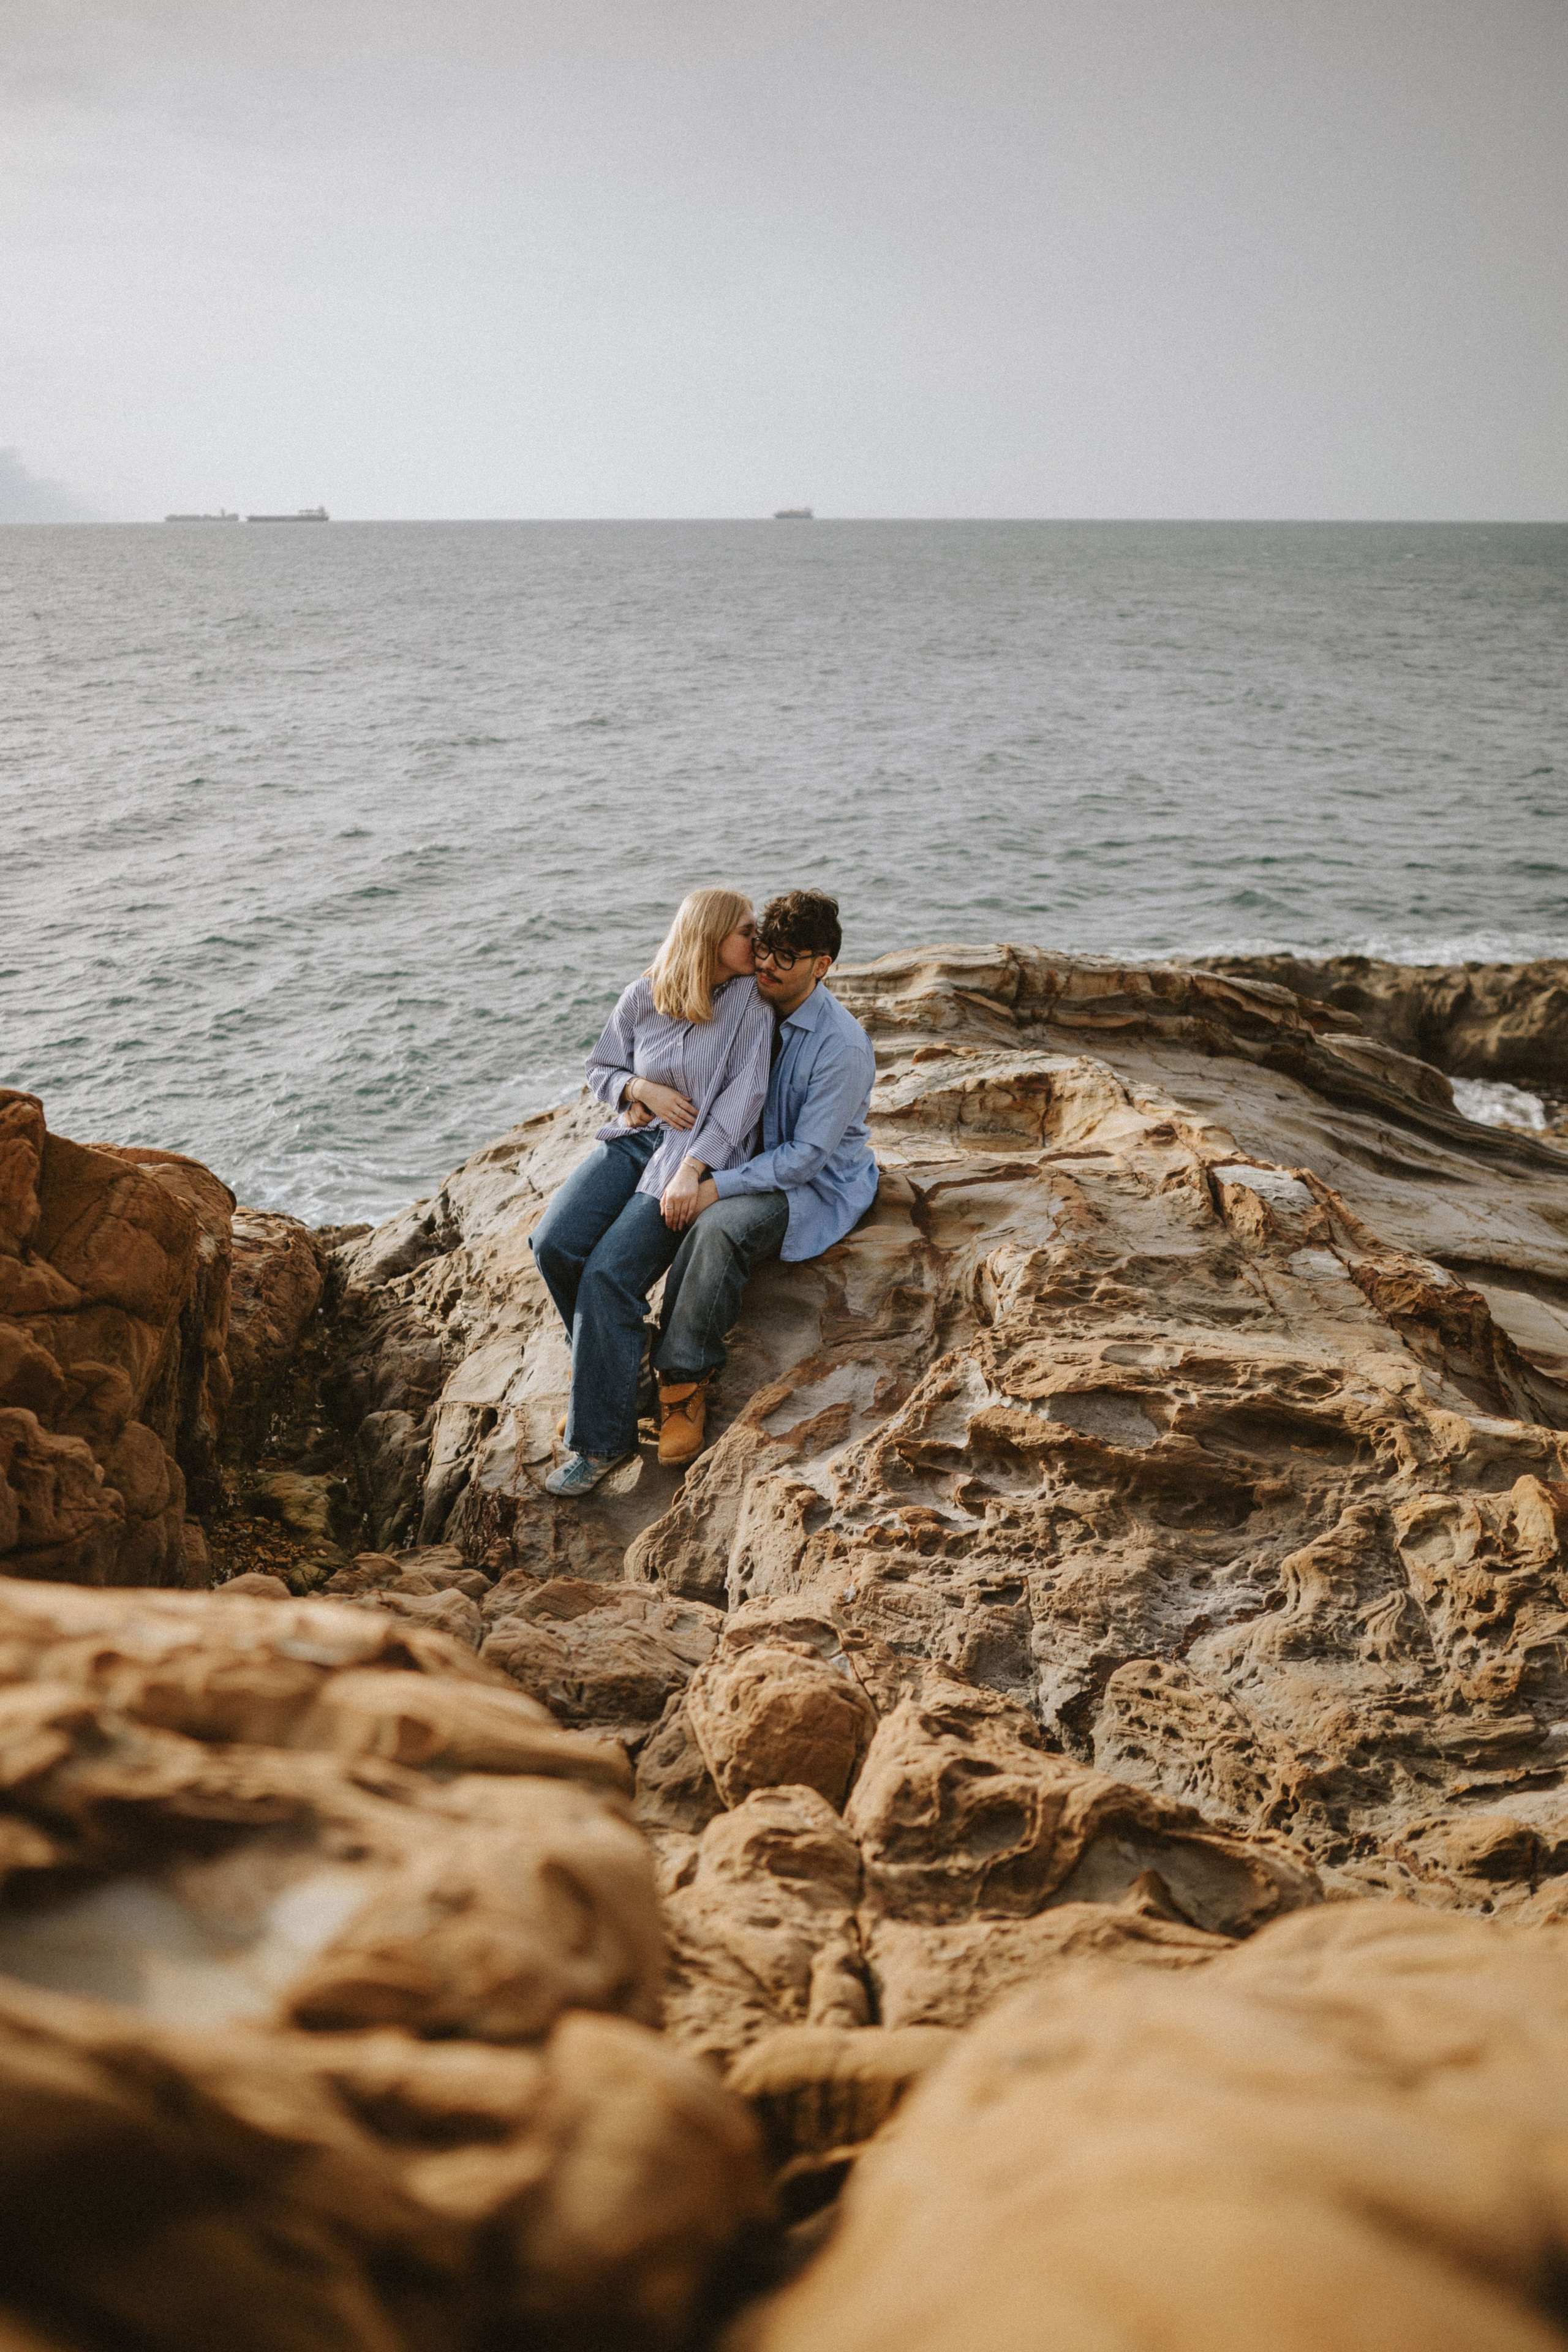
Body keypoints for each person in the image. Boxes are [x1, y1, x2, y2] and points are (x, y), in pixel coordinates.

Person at [530, 888, 773, 1496]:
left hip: (688, 1155)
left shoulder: (752, 1003)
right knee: (552, 1244)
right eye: (747, 930)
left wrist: (692, 1171)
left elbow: (742, 1102)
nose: (758, 942)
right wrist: (639, 1088)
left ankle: (601, 1443)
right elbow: (599, 1068)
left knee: (607, 1276)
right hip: (633, 1140)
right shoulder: (645, 995)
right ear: (711, 936)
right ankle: (614, 1371)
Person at [648, 887, 878, 1468]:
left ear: (821, 966)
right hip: (742, 1154)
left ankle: (683, 1381)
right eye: (766, 948)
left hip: (810, 1185)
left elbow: (803, 1159)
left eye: (787, 957)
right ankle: (624, 1373)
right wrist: (637, 1094)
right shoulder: (745, 1005)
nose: (767, 965)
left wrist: (713, 1187)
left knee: (717, 1226)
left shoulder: (841, 1046)